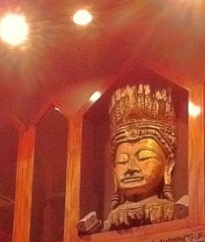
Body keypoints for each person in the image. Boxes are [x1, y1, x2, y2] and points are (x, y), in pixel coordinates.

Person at [78, 83, 188, 233]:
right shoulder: (109, 221)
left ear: (168, 166)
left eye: (144, 157)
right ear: (113, 172)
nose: (131, 168)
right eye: (122, 161)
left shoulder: (173, 211)